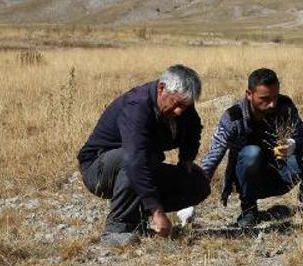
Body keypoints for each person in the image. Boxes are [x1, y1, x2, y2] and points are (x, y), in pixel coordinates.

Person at [77, 65, 210, 246]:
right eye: (176, 104)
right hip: (99, 170)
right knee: (139, 159)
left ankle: (137, 218)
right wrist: (157, 211)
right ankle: (118, 229)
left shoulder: (183, 106)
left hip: (140, 164)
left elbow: (193, 129)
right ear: (162, 89)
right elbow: (135, 160)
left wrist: (186, 161)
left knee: (197, 183)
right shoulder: (137, 106)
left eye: (185, 106)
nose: (180, 111)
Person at [199, 68, 303, 228]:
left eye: (275, 97)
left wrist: (293, 145)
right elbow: (213, 157)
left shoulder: (285, 106)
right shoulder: (233, 117)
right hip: (246, 180)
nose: (272, 103)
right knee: (252, 153)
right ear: (249, 94)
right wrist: (192, 194)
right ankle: (249, 210)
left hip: (281, 174)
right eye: (264, 98)